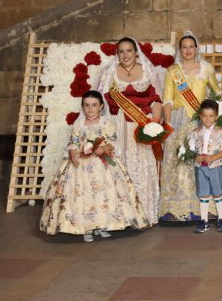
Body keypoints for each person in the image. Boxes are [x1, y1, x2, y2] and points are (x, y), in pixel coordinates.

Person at [40, 91, 150, 241]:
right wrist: (73, 155)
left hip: (102, 163)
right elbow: (73, 142)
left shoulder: (106, 123)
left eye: (94, 105)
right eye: (86, 105)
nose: (90, 109)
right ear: (82, 107)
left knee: (103, 194)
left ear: (101, 107)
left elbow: (113, 141)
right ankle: (86, 228)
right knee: (83, 193)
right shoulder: (79, 124)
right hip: (81, 163)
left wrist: (103, 149)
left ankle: (102, 225)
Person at [160, 32, 222, 222]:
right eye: (184, 47)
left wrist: (218, 116)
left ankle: (207, 207)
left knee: (204, 162)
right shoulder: (173, 71)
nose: (188, 50)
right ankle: (179, 208)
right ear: (180, 50)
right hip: (180, 120)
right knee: (180, 162)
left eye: (191, 46)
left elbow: (218, 93)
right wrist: (169, 124)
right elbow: (168, 100)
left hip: (202, 121)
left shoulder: (206, 69)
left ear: (197, 49)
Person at [97, 37, 162, 224]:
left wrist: (155, 123)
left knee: (142, 167)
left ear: (136, 52)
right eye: (121, 51)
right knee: (120, 165)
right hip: (119, 126)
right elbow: (102, 102)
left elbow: (156, 99)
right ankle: (122, 217)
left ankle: (144, 213)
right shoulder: (110, 73)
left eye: (129, 51)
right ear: (117, 54)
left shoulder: (147, 70)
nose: (125, 55)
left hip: (142, 126)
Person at [190, 99, 222, 234]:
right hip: (200, 168)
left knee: (218, 192)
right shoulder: (195, 133)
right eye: (205, 116)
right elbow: (190, 150)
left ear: (216, 117)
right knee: (203, 194)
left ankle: (221, 219)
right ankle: (204, 221)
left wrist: (213, 157)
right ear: (200, 116)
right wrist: (195, 156)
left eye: (211, 116)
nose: (207, 119)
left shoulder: (221, 132)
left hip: (215, 167)